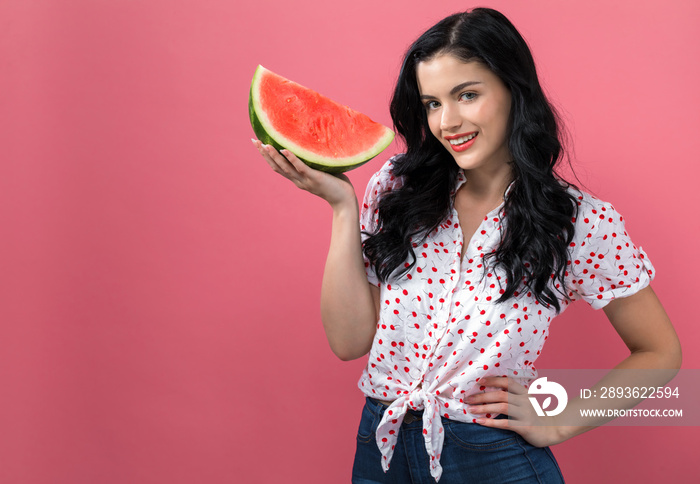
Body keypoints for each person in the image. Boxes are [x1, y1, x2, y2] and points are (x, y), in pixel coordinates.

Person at [252, 7, 681, 483]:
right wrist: (342, 209)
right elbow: (349, 342)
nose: (447, 121)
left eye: (467, 95)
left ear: (514, 91)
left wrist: (559, 420)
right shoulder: (396, 189)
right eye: (432, 103)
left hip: (492, 455)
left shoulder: (578, 222)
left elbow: (660, 352)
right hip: (381, 447)